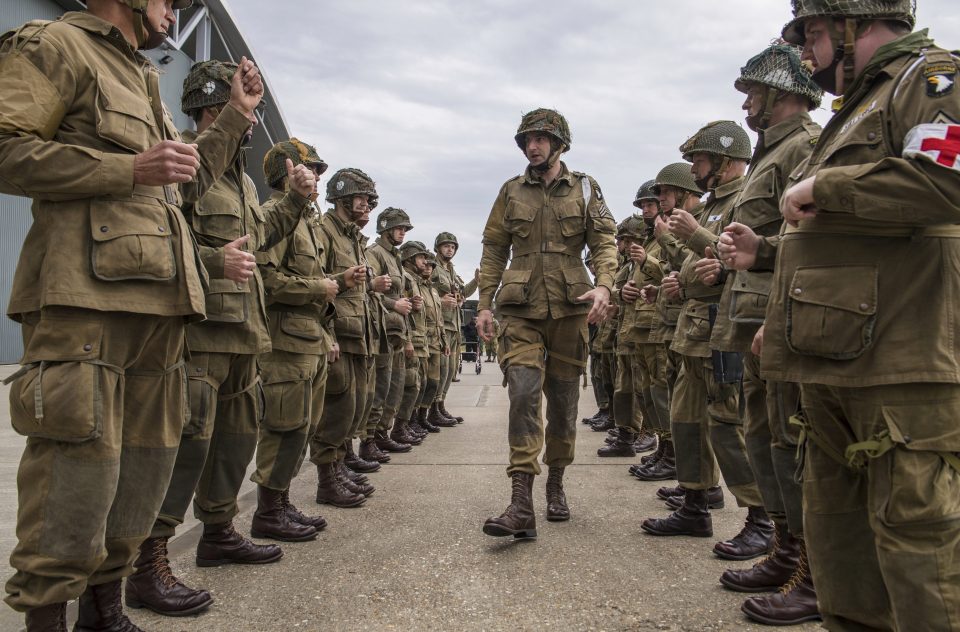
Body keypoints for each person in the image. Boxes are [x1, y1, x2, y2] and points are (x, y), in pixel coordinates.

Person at [0, 1, 265, 628]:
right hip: (84, 303)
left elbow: (181, 185)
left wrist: (235, 116)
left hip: (158, 307)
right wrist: (126, 168)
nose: (173, 8)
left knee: (142, 471)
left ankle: (105, 608)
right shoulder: (55, 45)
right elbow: (7, 148)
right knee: (75, 473)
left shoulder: (144, 77)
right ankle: (48, 618)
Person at [731, 2, 960, 628]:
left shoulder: (929, 79)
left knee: (919, 555)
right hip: (834, 362)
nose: (807, 49)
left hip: (899, 368)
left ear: (855, 23)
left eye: (813, 31)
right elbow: (834, 241)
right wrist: (768, 263)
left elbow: (949, 181)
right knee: (841, 554)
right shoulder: (854, 109)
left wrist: (826, 187)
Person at [127, 60, 318, 618]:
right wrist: (213, 261)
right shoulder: (186, 160)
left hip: (242, 336)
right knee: (183, 450)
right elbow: (164, 230)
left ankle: (218, 532)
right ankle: (148, 561)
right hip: (200, 336)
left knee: (234, 443)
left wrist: (298, 200)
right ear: (210, 110)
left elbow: (258, 240)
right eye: (235, 113)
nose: (249, 127)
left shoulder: (238, 179)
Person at [696, 42, 822, 625]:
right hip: (748, 313)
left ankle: (813, 571)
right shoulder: (776, 153)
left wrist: (779, 313)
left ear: (781, 92)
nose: (746, 102)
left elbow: (809, 240)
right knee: (766, 436)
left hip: (775, 315)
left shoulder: (804, 146)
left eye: (753, 91)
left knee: (791, 442)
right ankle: (787, 550)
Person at [477, 108, 617, 538]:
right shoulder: (510, 191)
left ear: (559, 145)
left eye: (540, 139)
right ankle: (521, 501)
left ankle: (556, 483)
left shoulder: (586, 188)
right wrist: (484, 304)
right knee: (522, 391)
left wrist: (606, 286)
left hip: (570, 307)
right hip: (519, 308)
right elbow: (494, 248)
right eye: (526, 140)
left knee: (563, 405)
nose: (532, 147)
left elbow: (604, 243)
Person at [642, 121, 773, 563]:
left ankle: (761, 519)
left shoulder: (744, 198)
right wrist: (680, 276)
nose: (694, 168)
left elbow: (743, 257)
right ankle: (695, 505)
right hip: (696, 330)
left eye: (700, 159)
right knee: (686, 420)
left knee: (726, 425)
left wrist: (693, 240)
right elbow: (703, 264)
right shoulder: (715, 206)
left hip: (724, 328)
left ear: (725, 159)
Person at [250, 139, 351, 543]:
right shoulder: (276, 216)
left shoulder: (308, 224)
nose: (319, 180)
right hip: (284, 341)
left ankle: (282, 501)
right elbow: (267, 280)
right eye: (312, 172)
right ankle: (268, 511)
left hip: (308, 339)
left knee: (302, 428)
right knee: (282, 427)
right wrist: (318, 286)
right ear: (286, 173)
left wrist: (326, 329)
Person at [311, 168, 388, 505]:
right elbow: (316, 284)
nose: (367, 204)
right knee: (336, 411)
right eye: (362, 197)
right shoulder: (324, 231)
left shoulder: (353, 238)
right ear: (342, 196)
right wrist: (327, 336)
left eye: (370, 199)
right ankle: (327, 481)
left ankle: (339, 468)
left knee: (352, 409)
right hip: (338, 334)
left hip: (359, 336)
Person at [631, 163, 703, 483]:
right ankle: (669, 451)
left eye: (664, 193)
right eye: (656, 195)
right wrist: (656, 287)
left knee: (674, 397)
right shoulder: (668, 227)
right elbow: (676, 274)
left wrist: (661, 247)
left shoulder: (689, 226)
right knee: (665, 394)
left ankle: (678, 462)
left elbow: (694, 267)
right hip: (670, 318)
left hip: (686, 322)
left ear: (684, 192)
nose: (659, 199)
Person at [364, 208, 416, 456]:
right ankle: (368, 440)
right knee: (379, 390)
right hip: (382, 332)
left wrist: (408, 302)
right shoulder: (375, 254)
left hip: (397, 332)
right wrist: (393, 304)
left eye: (405, 229)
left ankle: (382, 434)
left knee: (394, 389)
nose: (403, 232)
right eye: (399, 228)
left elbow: (397, 292)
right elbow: (368, 291)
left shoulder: (394, 257)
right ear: (385, 228)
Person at [431, 232, 477, 423]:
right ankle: (432, 409)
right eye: (446, 246)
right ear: (438, 248)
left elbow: (462, 293)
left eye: (453, 247)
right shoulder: (432, 267)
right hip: (440, 324)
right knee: (440, 370)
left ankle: (441, 406)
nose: (450, 249)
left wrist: (476, 282)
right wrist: (439, 301)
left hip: (454, 326)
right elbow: (425, 289)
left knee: (450, 371)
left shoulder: (450, 270)